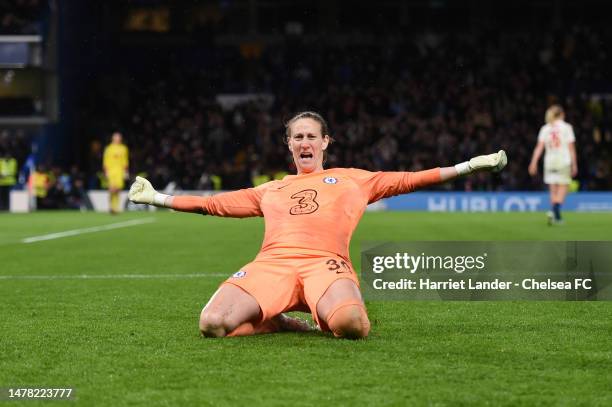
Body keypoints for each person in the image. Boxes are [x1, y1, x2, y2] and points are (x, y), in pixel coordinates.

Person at [128, 111, 507, 339]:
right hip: (272, 265)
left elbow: (410, 178)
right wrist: (157, 198)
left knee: (353, 326)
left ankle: (319, 310)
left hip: (325, 264)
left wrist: (467, 167)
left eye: (312, 136)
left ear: (325, 142)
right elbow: (213, 204)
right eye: (298, 137)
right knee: (212, 324)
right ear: (289, 145)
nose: (304, 142)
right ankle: (278, 323)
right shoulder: (272, 189)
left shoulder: (354, 179)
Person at [528, 105, 577, 225]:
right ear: (561, 114)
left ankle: (556, 216)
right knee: (563, 187)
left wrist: (533, 162)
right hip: (563, 161)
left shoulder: (545, 128)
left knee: (553, 191)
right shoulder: (567, 127)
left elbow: (539, 148)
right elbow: (571, 148)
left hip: (549, 162)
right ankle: (555, 210)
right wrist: (574, 164)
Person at [103, 132, 129, 214]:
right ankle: (111, 207)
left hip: (120, 171)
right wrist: (106, 171)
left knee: (117, 190)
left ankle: (116, 208)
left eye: (119, 138)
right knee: (111, 189)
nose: (118, 139)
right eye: (116, 138)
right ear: (113, 138)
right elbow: (105, 161)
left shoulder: (124, 148)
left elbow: (125, 161)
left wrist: (126, 172)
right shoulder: (108, 148)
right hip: (111, 171)